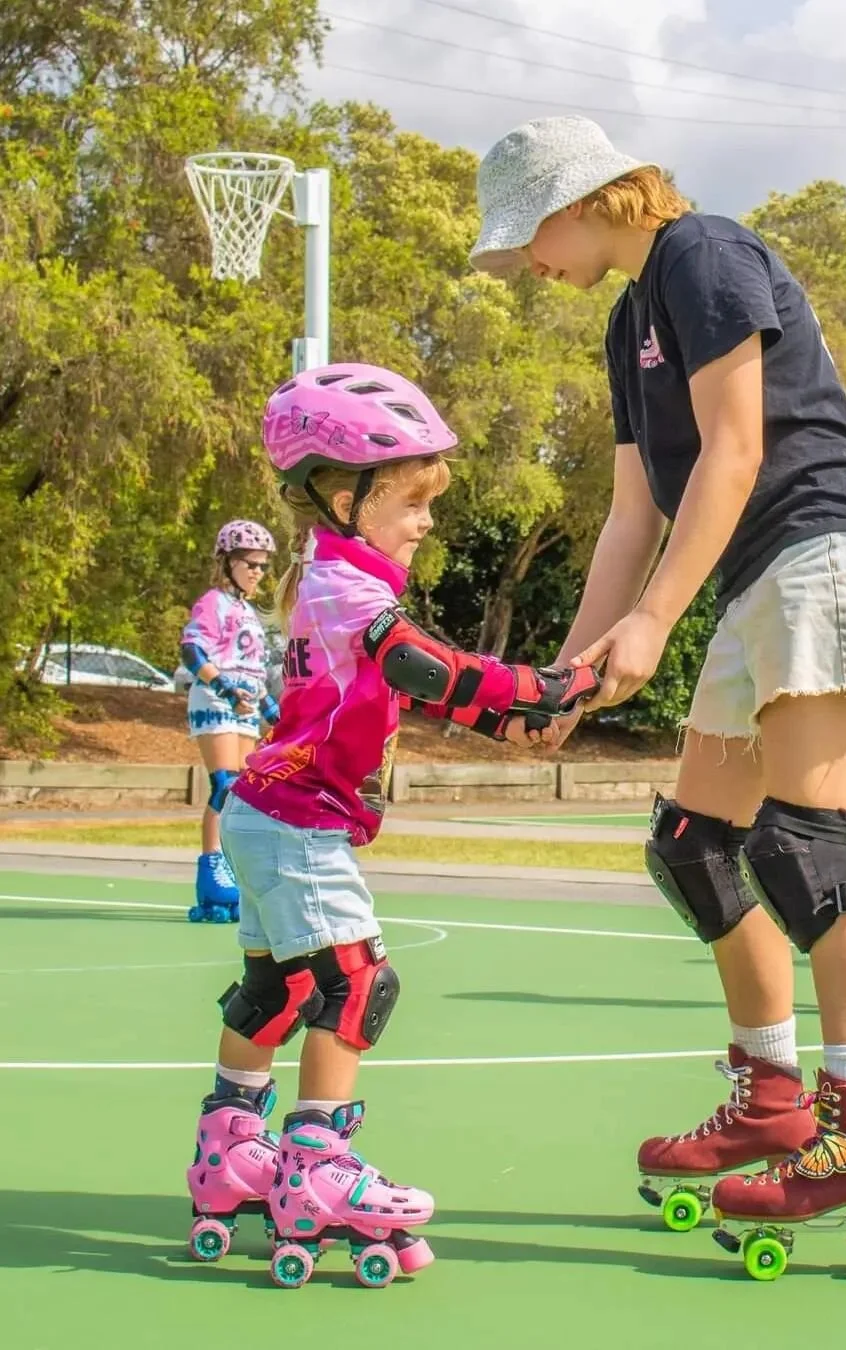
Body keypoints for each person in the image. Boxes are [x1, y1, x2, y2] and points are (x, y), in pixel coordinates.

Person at [470, 115, 846, 1250]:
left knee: (807, 845)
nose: (525, 263)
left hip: (826, 550)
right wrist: (564, 680)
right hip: (758, 575)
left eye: (527, 236)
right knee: (695, 843)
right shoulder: (629, 319)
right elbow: (635, 515)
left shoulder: (702, 253)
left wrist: (655, 622)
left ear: (584, 200)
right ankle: (771, 1099)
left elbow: (736, 449)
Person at [186, 364, 599, 1288]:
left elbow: (404, 686)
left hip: (267, 809)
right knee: (356, 984)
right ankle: (317, 1168)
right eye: (412, 502)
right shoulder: (347, 586)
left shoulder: (333, 578)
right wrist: (538, 686)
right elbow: (420, 666)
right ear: (346, 499)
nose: (426, 522)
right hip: (298, 818)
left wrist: (509, 723)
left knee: (278, 989)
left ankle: (232, 1150)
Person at [181, 520, 279, 923]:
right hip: (216, 699)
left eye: (263, 566)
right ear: (227, 562)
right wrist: (224, 688)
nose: (257, 572)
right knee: (224, 786)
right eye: (250, 564)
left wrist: (272, 710)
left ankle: (233, 868)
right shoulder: (214, 602)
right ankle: (211, 871)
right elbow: (192, 651)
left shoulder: (249, 612)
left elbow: (254, 670)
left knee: (242, 794)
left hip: (246, 707)